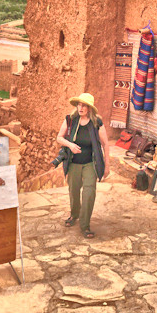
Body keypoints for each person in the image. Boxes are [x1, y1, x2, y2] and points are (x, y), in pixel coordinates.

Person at [57, 93, 110, 238]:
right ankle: (74, 215)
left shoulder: (96, 123)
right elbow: (59, 137)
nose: (81, 108)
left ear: (89, 108)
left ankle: (85, 225)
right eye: (79, 105)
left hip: (90, 163)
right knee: (74, 191)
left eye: (84, 105)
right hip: (73, 163)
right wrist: (70, 145)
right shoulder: (70, 120)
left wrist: (107, 166)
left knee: (89, 193)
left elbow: (105, 144)